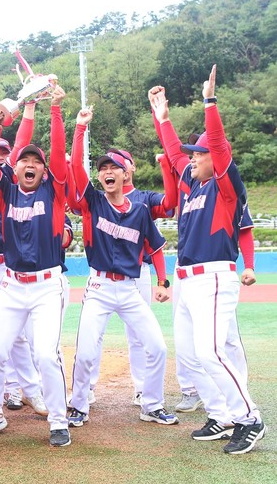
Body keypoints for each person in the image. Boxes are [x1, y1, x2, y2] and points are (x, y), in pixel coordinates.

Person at [148, 66, 266, 455]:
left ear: (215, 158)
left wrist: (209, 102)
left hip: (214, 277)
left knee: (212, 351)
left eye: (199, 154)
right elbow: (173, 153)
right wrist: (162, 118)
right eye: (194, 154)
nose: (193, 158)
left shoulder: (224, 186)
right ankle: (221, 414)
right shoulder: (193, 185)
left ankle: (249, 418)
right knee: (191, 354)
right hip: (187, 279)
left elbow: (216, 143)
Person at [67, 107, 176, 429]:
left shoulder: (140, 210)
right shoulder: (94, 202)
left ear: (125, 174)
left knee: (157, 347)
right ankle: (78, 405)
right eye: (103, 169)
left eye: (113, 167)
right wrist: (80, 128)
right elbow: (75, 166)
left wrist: (163, 282)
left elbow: (155, 247)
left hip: (129, 289)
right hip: (99, 287)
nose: (107, 172)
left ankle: (151, 404)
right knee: (86, 352)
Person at [0, 86, 72, 448]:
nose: (30, 165)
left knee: (45, 354)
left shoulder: (54, 191)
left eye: (36, 162)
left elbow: (59, 153)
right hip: (13, 285)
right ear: (14, 168)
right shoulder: (6, 192)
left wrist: (56, 110)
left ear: (44, 171)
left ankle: (58, 421)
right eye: (24, 161)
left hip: (47, 285)